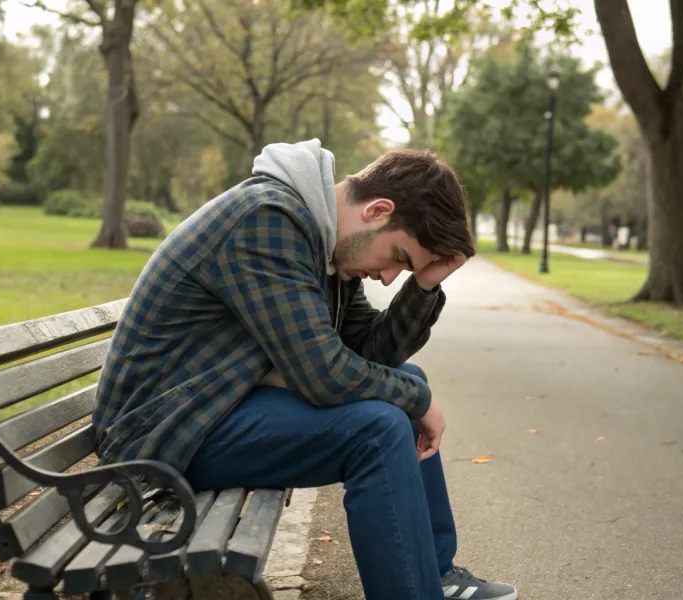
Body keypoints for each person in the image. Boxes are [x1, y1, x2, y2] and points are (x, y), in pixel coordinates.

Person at [93, 140, 518, 600]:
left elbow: (372, 356)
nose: (389, 276)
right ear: (377, 211)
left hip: (212, 409)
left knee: (408, 384)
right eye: (399, 257)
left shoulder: (324, 244)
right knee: (378, 428)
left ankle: (436, 576)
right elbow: (324, 376)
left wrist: (423, 285)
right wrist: (419, 403)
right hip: (161, 434)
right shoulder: (266, 220)